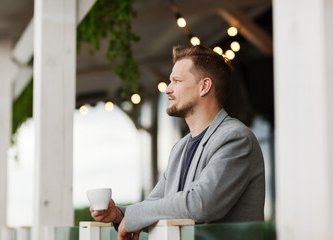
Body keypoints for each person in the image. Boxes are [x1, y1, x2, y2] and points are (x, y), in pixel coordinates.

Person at [90, 45, 265, 240]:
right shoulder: (180, 149)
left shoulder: (235, 138)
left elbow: (201, 204)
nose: (168, 89)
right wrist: (120, 214)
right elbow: (157, 204)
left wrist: (133, 217)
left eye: (176, 81)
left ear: (204, 86)